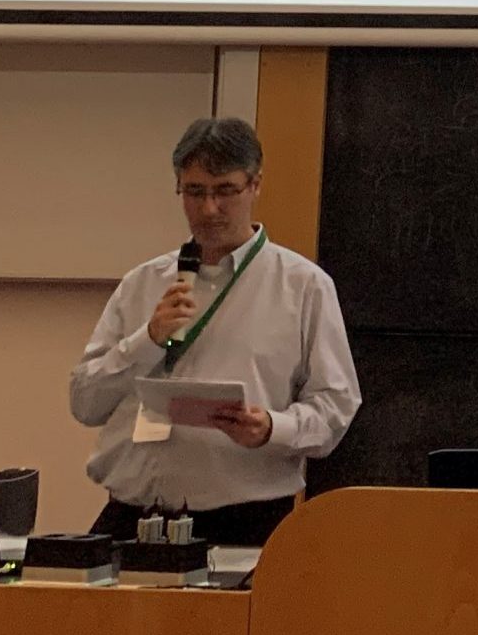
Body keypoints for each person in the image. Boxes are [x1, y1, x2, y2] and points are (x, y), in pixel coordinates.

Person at [69, 116, 360, 545]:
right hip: (132, 516)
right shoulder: (143, 283)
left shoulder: (303, 286)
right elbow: (85, 403)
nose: (209, 209)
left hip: (242, 522)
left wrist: (271, 428)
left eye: (225, 191)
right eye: (195, 192)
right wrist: (146, 339)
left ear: (255, 185)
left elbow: (336, 407)